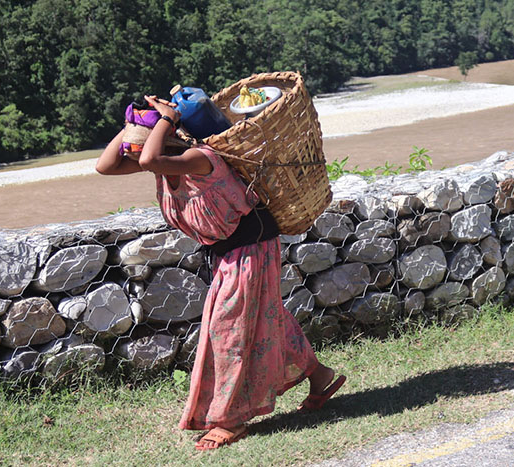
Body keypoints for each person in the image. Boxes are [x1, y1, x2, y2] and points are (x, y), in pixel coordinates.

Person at [96, 95, 345, 450]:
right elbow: (105, 166)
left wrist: (166, 117)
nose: (134, 156)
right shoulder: (167, 164)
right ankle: (321, 376)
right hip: (232, 252)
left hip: (251, 247)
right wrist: (132, 122)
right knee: (265, 318)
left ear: (167, 137)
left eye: (137, 146)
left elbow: (149, 158)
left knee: (227, 330)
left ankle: (231, 419)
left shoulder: (199, 159)